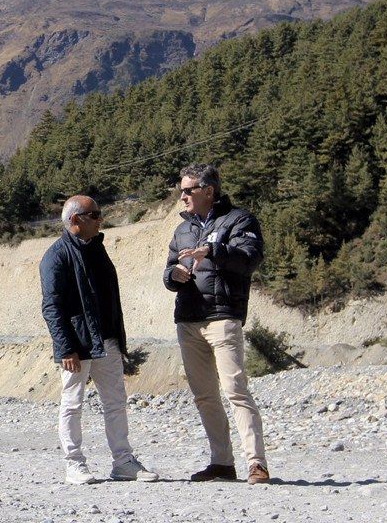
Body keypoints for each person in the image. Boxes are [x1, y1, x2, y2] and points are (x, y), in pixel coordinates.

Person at [163, 163, 271, 484]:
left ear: (208, 191)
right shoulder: (182, 229)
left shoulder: (239, 220)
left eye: (187, 190)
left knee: (235, 390)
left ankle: (257, 463)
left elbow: (250, 258)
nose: (182, 197)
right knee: (205, 396)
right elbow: (168, 270)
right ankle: (222, 462)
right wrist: (174, 274)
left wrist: (213, 250)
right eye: (180, 190)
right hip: (188, 319)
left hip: (222, 317)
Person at [41, 195, 159, 485]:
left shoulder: (98, 250)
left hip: (107, 340)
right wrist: (65, 347)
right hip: (77, 346)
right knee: (72, 403)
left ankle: (123, 462)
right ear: (74, 220)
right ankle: (74, 464)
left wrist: (118, 339)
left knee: (116, 402)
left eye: (98, 213)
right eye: (93, 214)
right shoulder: (55, 256)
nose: (99, 219)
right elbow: (51, 306)